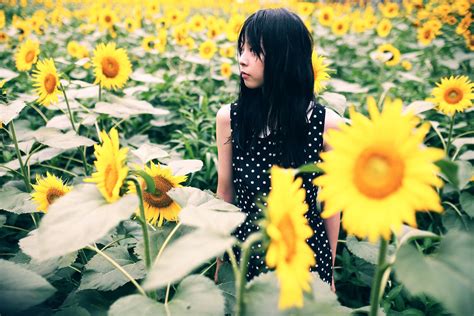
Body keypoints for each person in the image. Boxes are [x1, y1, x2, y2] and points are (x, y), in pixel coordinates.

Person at [215, 8, 343, 292]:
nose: (242, 59)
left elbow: (331, 205)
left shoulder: (327, 125)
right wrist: (221, 263)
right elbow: (225, 194)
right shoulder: (230, 119)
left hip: (304, 254)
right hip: (247, 252)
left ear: (284, 59)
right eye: (241, 48)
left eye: (254, 51)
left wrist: (328, 268)